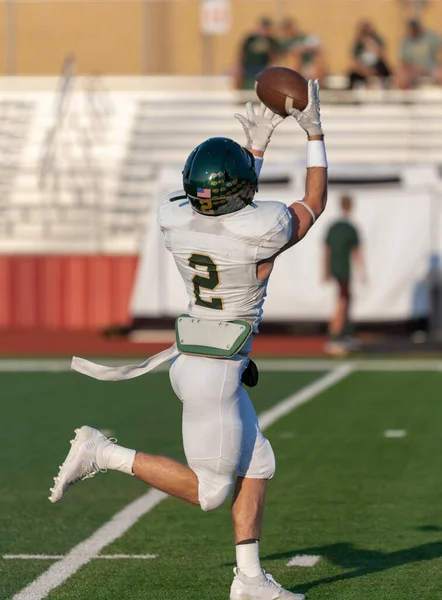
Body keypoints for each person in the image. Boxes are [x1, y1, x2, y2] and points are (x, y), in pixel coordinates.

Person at [49, 81, 328, 600]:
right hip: (215, 373)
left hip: (194, 354)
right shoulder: (258, 228)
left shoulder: (175, 218)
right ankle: (103, 453)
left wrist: (255, 150)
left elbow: (227, 209)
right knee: (209, 493)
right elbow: (313, 200)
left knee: (257, 462)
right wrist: (313, 130)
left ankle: (249, 580)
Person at [323, 194, 365, 357]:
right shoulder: (349, 228)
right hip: (343, 271)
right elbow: (356, 251)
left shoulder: (334, 227)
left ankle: (345, 335)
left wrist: (325, 271)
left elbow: (326, 250)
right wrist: (362, 271)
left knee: (346, 300)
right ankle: (334, 339)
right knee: (341, 303)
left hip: (336, 270)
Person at [397, 19, 442, 89]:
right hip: (414, 71)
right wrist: (415, 70)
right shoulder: (406, 41)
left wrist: (440, 64)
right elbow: (403, 61)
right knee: (402, 76)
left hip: (432, 69)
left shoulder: (430, 37)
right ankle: (405, 98)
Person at [236, 17, 279, 90]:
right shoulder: (251, 38)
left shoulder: (271, 41)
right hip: (248, 66)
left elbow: (275, 53)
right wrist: (239, 66)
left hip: (263, 68)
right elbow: (242, 52)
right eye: (264, 28)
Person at [277, 18, 326, 83]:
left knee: (319, 55)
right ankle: (296, 78)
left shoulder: (304, 37)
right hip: (295, 67)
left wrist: (302, 49)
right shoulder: (284, 42)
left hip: (308, 64)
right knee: (292, 56)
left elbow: (317, 44)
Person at [348, 21, 391, 89]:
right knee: (352, 75)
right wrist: (365, 71)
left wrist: (372, 45)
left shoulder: (377, 42)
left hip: (376, 69)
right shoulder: (358, 45)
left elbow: (381, 56)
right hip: (362, 71)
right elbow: (355, 62)